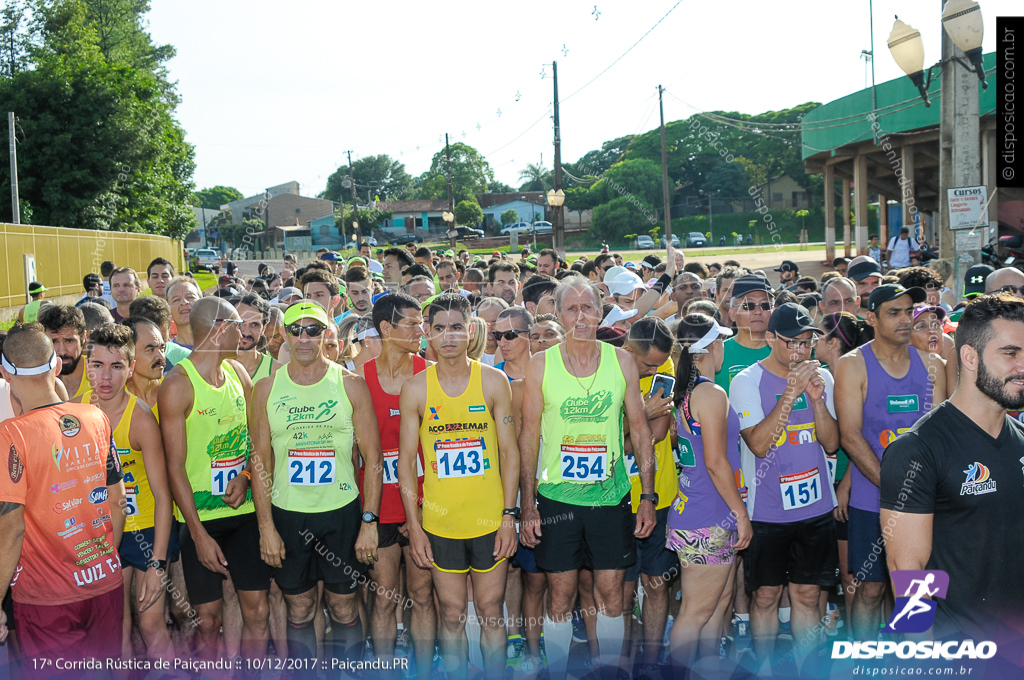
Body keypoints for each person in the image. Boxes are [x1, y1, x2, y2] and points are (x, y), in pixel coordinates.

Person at [519, 276, 657, 676]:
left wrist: (646, 496)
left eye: (588, 307)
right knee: (560, 596)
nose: (581, 316)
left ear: (601, 310)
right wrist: (527, 505)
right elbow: (528, 436)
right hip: (557, 498)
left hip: (610, 498)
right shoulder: (541, 364)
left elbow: (641, 430)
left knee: (612, 594)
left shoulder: (622, 361)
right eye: (572, 308)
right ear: (559, 315)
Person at [881, 293, 1024, 645]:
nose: (1023, 365)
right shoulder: (917, 451)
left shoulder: (1021, 439)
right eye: (1010, 353)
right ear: (970, 357)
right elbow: (907, 573)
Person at [249, 301, 382, 663]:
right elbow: (260, 460)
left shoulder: (351, 385)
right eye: (296, 330)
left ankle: (350, 671)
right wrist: (265, 528)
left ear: (326, 334)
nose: (304, 338)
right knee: (300, 610)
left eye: (313, 330)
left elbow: (373, 460)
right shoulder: (265, 388)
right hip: (288, 515)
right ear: (284, 336)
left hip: (341, 513)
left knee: (343, 608)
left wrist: (369, 523)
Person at [398, 293, 520, 678]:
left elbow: (510, 454)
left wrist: (508, 516)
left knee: (490, 612)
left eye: (455, 327)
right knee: (450, 615)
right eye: (439, 328)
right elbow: (404, 465)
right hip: (440, 525)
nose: (447, 336)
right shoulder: (416, 389)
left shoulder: (494, 381)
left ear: (470, 331)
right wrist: (415, 527)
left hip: (489, 521)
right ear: (428, 336)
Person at [0, 323, 127, 671]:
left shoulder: (11, 434)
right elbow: (119, 503)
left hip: (45, 599)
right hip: (104, 582)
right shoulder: (96, 417)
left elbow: (11, 529)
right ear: (56, 365)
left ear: (5, 373)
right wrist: (99, 560)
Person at [159, 296, 272, 660]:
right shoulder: (177, 385)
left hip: (243, 515)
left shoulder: (239, 373)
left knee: (258, 610)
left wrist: (247, 475)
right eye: (240, 325)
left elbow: (257, 437)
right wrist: (197, 534)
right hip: (200, 522)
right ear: (222, 327)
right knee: (207, 620)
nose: (245, 332)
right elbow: (173, 467)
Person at [730, 303, 840, 672]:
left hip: (816, 509)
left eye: (808, 342)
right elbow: (759, 444)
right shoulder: (746, 381)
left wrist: (817, 399)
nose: (800, 351)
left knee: (808, 595)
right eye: (792, 342)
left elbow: (831, 444)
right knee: (765, 596)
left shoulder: (824, 378)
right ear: (771, 339)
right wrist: (791, 393)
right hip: (767, 511)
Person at [835, 284, 945, 641]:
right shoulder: (853, 366)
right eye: (893, 313)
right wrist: (895, 487)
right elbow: (850, 436)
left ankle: (915, 657)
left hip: (928, 500)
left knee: (919, 587)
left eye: (908, 312)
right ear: (871, 318)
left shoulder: (933, 365)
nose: (904, 320)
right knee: (869, 590)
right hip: (874, 498)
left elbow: (940, 434)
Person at [78, 323, 173, 660]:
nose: (106, 377)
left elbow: (164, 496)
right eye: (98, 365)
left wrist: (157, 564)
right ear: (86, 365)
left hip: (143, 531)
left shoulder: (141, 419)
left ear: (131, 368)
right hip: (98, 534)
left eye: (117, 366)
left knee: (150, 625)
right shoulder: (72, 414)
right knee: (114, 627)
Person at [668, 313, 752, 671]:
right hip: (709, 516)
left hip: (698, 512)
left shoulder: (689, 391)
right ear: (713, 346)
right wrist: (741, 513)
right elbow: (717, 463)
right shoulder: (710, 393)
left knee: (718, 605)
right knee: (698, 611)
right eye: (721, 342)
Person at [357, 292, 436, 675]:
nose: (422, 330)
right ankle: (386, 670)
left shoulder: (429, 373)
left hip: (424, 505)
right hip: (378, 507)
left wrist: (418, 509)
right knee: (384, 597)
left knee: (422, 596)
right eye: (413, 323)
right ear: (386, 328)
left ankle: (422, 670)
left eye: (423, 323)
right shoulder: (359, 376)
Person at [621, 317, 680, 677]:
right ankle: (624, 664)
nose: (656, 370)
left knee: (656, 585)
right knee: (620, 591)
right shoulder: (606, 366)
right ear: (628, 352)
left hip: (658, 496)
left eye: (660, 364)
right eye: (648, 365)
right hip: (613, 499)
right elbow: (599, 438)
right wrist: (641, 412)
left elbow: (656, 435)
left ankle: (652, 662)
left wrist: (627, 424)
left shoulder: (664, 365)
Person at [715, 274, 773, 392]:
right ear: (732, 313)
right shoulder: (717, 353)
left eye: (765, 305)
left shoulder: (785, 351)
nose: (758, 311)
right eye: (748, 306)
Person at [38, 305, 91, 399]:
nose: (62, 352)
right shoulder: (34, 379)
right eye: (54, 342)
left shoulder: (103, 374)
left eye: (69, 341)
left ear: (83, 338)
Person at [126, 318, 166, 412]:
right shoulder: (113, 398)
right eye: (150, 350)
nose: (161, 357)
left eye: (162, 349)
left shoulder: (174, 392)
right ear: (129, 353)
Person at [233, 293, 273, 383]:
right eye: (241, 323)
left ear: (263, 329)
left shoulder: (277, 372)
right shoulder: (213, 368)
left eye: (255, 325)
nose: (246, 332)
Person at [165, 276, 201, 371]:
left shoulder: (219, 346)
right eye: (176, 299)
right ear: (168, 309)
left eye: (190, 297)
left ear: (202, 302)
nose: (184, 302)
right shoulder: (166, 354)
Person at [494, 307, 533, 381]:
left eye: (509, 335)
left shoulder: (546, 372)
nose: (502, 343)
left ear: (529, 335)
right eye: (498, 335)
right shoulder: (491, 377)